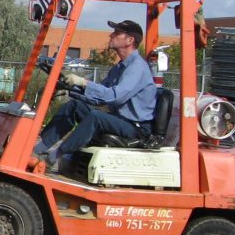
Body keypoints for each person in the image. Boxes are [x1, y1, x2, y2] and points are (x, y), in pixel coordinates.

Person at [34, 19, 156, 171]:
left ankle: (53, 158)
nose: (111, 35)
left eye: (117, 33)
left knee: (96, 117)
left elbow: (114, 96)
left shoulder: (137, 67)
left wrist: (84, 82)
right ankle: (37, 151)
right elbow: (99, 98)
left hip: (135, 127)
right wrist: (71, 88)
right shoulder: (119, 67)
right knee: (75, 107)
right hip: (119, 120)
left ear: (130, 40)